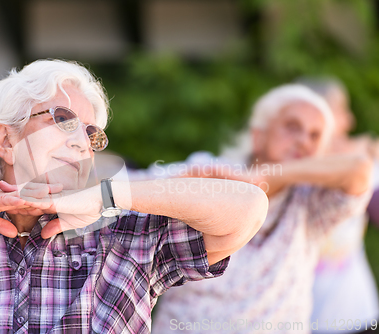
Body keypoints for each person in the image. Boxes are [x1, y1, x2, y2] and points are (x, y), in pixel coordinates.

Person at [0, 59, 268, 333]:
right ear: (6, 141)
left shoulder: (127, 233)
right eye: (63, 119)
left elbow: (249, 207)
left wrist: (108, 196)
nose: (83, 142)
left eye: (92, 133)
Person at [152, 84, 373, 334]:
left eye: (314, 136)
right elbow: (135, 189)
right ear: (259, 136)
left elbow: (360, 169)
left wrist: (267, 176)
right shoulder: (209, 171)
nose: (303, 140)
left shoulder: (311, 204)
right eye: (292, 127)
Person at [298, 78, 379, 333]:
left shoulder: (363, 161)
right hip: (295, 318)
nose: (350, 121)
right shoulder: (284, 166)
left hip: (355, 313)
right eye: (343, 111)